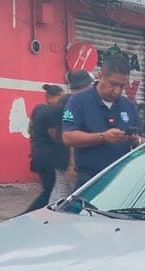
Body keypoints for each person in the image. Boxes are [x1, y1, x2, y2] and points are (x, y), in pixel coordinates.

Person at [61, 54, 142, 187]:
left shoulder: (128, 105)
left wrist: (136, 140)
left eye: (122, 86)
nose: (117, 91)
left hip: (121, 178)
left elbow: (141, 138)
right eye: (113, 84)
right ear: (100, 76)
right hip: (89, 178)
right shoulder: (78, 101)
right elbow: (68, 137)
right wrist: (102, 137)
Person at [48, 70, 95, 204]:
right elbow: (74, 137)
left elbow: (52, 130)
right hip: (73, 161)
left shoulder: (62, 101)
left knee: (60, 192)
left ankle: (52, 214)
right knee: (75, 196)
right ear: (85, 85)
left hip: (59, 156)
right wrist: (72, 163)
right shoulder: (81, 103)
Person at [25, 84, 65, 212]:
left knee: (50, 190)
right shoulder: (51, 112)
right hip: (49, 157)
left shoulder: (38, 109)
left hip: (38, 154)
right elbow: (54, 135)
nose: (61, 101)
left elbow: (30, 129)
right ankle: (27, 215)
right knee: (50, 191)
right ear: (50, 97)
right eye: (59, 97)